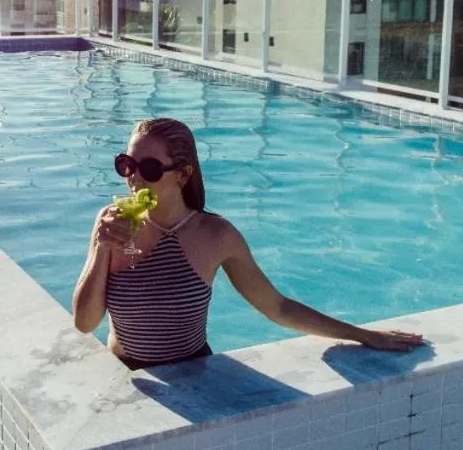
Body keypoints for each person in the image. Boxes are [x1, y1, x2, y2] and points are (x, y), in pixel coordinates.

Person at [72, 117, 426, 370]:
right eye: (127, 164)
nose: (133, 178)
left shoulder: (216, 235)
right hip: (128, 377)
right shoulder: (110, 224)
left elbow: (278, 308)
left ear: (182, 175)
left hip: (195, 377)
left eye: (148, 168)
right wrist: (101, 247)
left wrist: (364, 335)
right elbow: (86, 323)